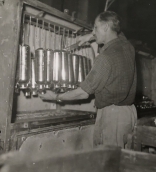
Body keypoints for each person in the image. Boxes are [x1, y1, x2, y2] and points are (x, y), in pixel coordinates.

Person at [39, 11, 137, 148]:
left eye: (95, 27)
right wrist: (90, 37)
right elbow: (118, 33)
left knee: (108, 162)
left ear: (106, 27)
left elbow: (83, 92)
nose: (93, 31)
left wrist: (55, 96)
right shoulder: (127, 46)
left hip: (112, 116)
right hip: (128, 113)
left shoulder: (105, 58)